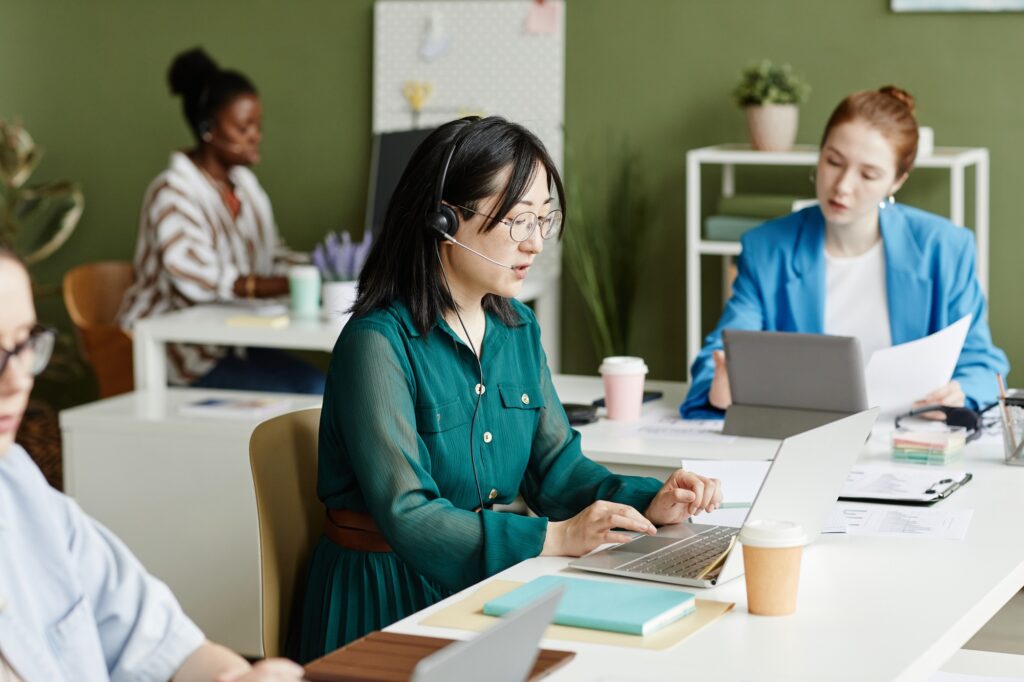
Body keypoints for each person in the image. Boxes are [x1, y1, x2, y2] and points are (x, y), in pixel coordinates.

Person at [297, 116, 724, 661]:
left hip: (487, 584)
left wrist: (652, 501)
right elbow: (410, 515)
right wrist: (555, 539)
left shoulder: (517, 329)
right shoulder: (376, 343)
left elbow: (559, 474)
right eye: (519, 221)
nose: (536, 242)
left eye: (545, 220)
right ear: (443, 219)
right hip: (385, 597)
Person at [0, 247, 304, 681]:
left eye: (25, 343)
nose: (18, 381)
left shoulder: (22, 489)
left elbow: (167, 648)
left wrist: (239, 677)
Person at [681, 86, 1008, 419]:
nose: (843, 186)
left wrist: (959, 393)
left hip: (911, 442)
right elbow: (721, 355)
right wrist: (720, 385)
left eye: (869, 174)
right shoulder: (768, 248)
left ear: (897, 181)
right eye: (834, 162)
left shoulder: (944, 248)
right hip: (805, 440)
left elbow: (982, 364)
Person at [119, 47, 323, 394]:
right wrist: (294, 284)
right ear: (208, 129)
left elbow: (271, 254)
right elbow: (200, 278)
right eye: (243, 127)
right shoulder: (171, 193)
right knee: (315, 392)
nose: (256, 135)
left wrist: (321, 265)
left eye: (258, 125)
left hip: (234, 342)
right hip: (179, 355)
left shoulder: (245, 185)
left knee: (332, 386)